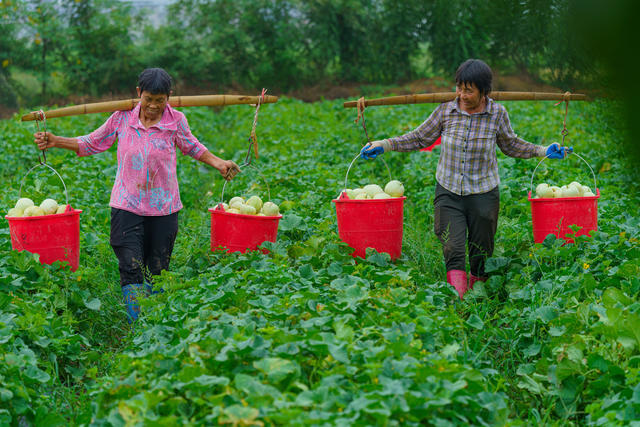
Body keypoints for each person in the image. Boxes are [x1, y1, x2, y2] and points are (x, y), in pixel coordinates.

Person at [33, 68, 241, 321]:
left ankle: (155, 321)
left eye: (160, 101)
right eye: (148, 99)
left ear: (169, 97)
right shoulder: (122, 118)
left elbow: (193, 146)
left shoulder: (175, 120)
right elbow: (92, 142)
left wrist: (219, 163)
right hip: (126, 204)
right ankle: (137, 324)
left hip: (163, 207)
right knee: (130, 264)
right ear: (138, 93)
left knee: (158, 267)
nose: (153, 106)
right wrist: (56, 140)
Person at [360, 59, 571, 300]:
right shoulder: (446, 111)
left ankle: (478, 292)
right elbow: (419, 138)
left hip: (483, 192)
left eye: (469, 90)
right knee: (453, 246)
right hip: (449, 190)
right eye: (459, 87)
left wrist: (543, 151)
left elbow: (511, 145)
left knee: (481, 250)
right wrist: (385, 145)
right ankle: (460, 301)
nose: (462, 95)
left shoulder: (497, 114)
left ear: (484, 91)